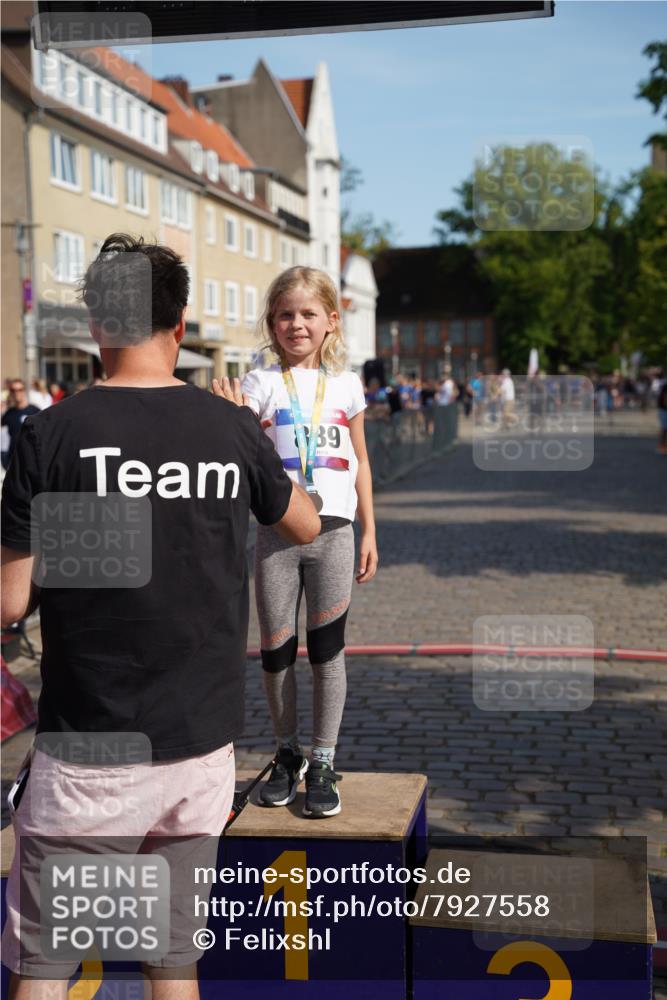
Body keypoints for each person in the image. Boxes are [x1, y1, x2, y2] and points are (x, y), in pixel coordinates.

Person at [1, 234, 319, 1000]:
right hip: (197, 742)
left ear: (96, 328)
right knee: (170, 956)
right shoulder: (229, 430)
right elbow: (303, 524)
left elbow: (11, 602)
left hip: (91, 740)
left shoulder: (51, 434)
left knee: (50, 959)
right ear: (179, 327)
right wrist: (250, 436)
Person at [237, 265, 378, 819]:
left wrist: (371, 529)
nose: (296, 324)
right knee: (276, 654)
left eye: (307, 314)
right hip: (276, 535)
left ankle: (323, 759)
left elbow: (363, 460)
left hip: (337, 533)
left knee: (327, 652)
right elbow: (242, 450)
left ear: (331, 322)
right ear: (271, 324)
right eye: (285, 315)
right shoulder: (260, 383)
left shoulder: (347, 386)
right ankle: (287, 751)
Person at [1, 380, 40, 471]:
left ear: (24, 391)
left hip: (33, 460)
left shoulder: (35, 412)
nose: (16, 393)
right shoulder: (8, 414)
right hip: (13, 462)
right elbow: (4, 439)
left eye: (20, 390)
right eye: (13, 390)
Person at [657, 375, 667, 455]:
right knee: (664, 429)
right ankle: (662, 446)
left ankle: (663, 445)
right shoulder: (665, 386)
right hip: (664, 410)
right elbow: (665, 399)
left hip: (663, 409)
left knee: (664, 429)